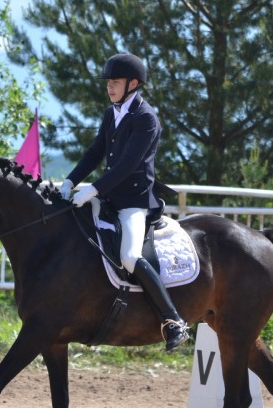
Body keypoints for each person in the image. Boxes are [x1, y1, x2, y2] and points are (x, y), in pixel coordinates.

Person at [59, 53, 190, 352]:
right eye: (108, 82)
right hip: (108, 197)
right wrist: (69, 181)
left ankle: (173, 322)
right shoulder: (112, 113)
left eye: (115, 82)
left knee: (129, 256)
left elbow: (128, 165)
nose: (110, 87)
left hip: (134, 201)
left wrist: (91, 189)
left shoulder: (146, 118)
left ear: (133, 84)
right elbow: (95, 153)